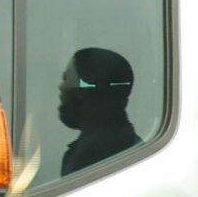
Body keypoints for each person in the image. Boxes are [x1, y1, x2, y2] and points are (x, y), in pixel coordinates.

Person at [58, 47, 141, 176]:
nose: (61, 87)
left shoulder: (92, 157)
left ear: (85, 91)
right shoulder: (130, 146)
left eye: (66, 79)